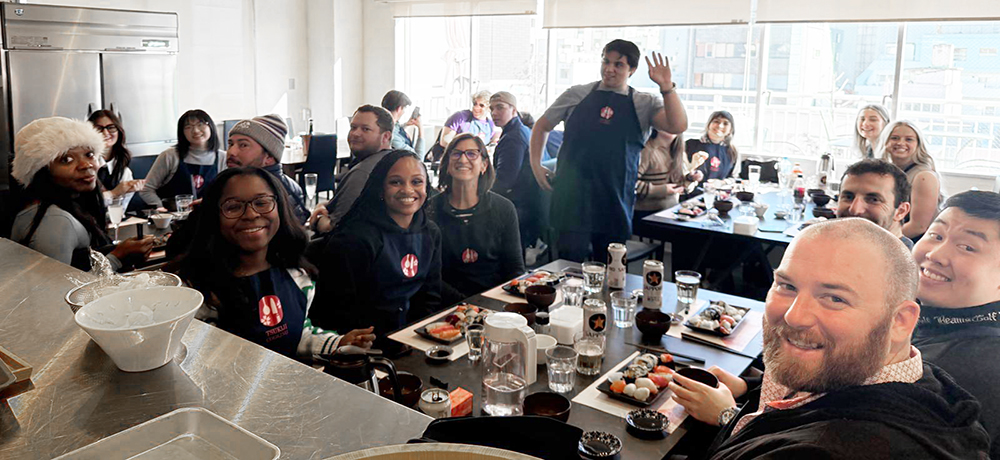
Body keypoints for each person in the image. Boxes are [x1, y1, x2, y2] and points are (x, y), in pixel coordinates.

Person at [667, 218, 990, 459]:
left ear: (900, 321)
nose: (795, 315)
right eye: (786, 286)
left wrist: (728, 417)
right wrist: (750, 390)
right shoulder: (921, 381)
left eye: (834, 298)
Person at [166, 167, 375, 360]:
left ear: (280, 208)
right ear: (214, 217)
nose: (251, 214)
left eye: (262, 202)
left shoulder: (297, 276)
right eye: (233, 207)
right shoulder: (198, 291)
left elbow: (298, 335)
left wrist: (338, 343)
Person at [529, 40, 688, 262]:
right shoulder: (577, 94)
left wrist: (667, 87)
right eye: (606, 61)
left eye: (619, 64)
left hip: (615, 201)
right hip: (572, 198)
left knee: (611, 272)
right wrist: (536, 166)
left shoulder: (644, 103)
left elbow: (678, 125)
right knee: (567, 268)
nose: (609, 69)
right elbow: (542, 125)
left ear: (632, 70)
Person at [311, 150, 442, 350]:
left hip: (414, 340)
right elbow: (338, 311)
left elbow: (430, 294)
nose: (408, 190)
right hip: (364, 345)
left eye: (417, 182)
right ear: (380, 188)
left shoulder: (431, 232)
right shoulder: (354, 239)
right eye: (396, 182)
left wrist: (418, 336)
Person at [911, 191, 1000, 459]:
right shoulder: (925, 318)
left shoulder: (963, 372)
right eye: (936, 235)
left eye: (967, 247)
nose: (935, 254)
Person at [10, 117, 153, 272]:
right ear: (42, 172)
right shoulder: (55, 220)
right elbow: (59, 289)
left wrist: (122, 252)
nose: (87, 164)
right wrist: (118, 257)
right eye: (67, 159)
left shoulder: (69, 205)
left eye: (89, 154)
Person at [428, 133, 524, 305]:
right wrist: (467, 306)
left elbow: (515, 270)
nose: (463, 160)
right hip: (445, 307)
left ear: (484, 165)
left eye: (472, 154)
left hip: (495, 305)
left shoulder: (504, 209)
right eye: (456, 153)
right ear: (447, 164)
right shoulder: (429, 210)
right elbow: (429, 274)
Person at [308, 105, 394, 234]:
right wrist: (324, 205)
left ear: (386, 136)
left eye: (365, 129)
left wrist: (318, 218)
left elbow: (335, 229)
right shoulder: (394, 161)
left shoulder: (363, 173)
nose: (355, 133)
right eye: (353, 127)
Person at [224, 114, 309, 223]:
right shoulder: (240, 183)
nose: (231, 152)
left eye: (243, 145)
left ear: (269, 157)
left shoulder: (280, 193)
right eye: (231, 144)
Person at [489, 91, 545, 252]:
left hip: (519, 206)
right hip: (530, 202)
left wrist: (479, 195)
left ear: (514, 110)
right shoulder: (522, 130)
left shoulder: (513, 138)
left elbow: (504, 183)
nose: (494, 113)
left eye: (500, 108)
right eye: (492, 109)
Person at [140, 109, 226, 210]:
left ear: (211, 126)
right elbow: (146, 189)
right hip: (174, 219)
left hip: (209, 216)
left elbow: (227, 193)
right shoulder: (170, 156)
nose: (196, 130)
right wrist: (162, 209)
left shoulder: (223, 158)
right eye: (188, 127)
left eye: (200, 124)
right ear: (182, 133)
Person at [880, 120, 942, 239]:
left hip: (913, 242)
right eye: (894, 138)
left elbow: (918, 226)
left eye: (909, 139)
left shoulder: (924, 176)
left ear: (918, 145)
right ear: (885, 142)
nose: (900, 143)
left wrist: (880, 240)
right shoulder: (890, 171)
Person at [836, 159, 913, 248]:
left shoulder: (904, 261)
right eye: (848, 197)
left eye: (873, 200)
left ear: (901, 211)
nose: (855, 210)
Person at [634, 129, 701, 225]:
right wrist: (662, 190)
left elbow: (684, 189)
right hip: (647, 215)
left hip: (672, 211)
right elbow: (630, 183)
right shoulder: (646, 150)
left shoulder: (679, 151)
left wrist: (690, 179)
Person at [87, 110, 144, 207]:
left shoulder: (125, 172)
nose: (105, 133)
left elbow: (120, 211)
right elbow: (85, 205)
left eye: (111, 128)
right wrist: (114, 193)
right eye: (98, 128)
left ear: (119, 132)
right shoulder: (85, 166)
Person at [686, 111, 738, 184]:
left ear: (730, 130)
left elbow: (734, 177)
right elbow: (680, 171)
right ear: (708, 125)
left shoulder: (732, 150)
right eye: (716, 121)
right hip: (693, 192)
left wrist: (722, 182)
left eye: (725, 123)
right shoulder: (690, 144)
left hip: (720, 192)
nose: (720, 126)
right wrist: (691, 175)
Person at [381, 90, 424, 155]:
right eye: (405, 108)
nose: (404, 111)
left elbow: (395, 127)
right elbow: (418, 158)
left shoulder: (381, 125)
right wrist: (421, 130)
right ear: (399, 108)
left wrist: (406, 124)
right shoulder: (393, 137)